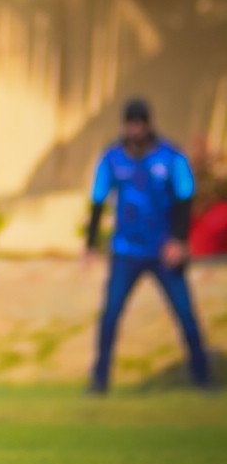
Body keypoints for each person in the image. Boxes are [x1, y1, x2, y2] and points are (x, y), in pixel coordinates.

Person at [84, 98, 214, 393]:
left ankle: (203, 377)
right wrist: (90, 243)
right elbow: (98, 199)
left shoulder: (170, 157)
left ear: (147, 124)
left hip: (164, 252)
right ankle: (99, 380)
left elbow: (184, 199)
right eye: (130, 124)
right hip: (126, 251)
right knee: (110, 315)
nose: (135, 129)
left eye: (139, 124)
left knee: (185, 315)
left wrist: (178, 241)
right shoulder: (112, 158)